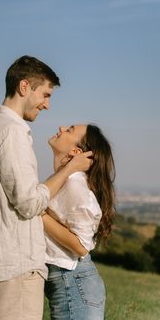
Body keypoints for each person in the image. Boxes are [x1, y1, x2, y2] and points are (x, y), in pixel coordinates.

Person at [0, 55, 93, 320]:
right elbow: (29, 204)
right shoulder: (12, 131)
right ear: (24, 87)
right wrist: (69, 170)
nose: (47, 105)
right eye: (45, 94)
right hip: (16, 267)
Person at [42, 123, 115, 320]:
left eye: (70, 129)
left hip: (74, 280)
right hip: (69, 280)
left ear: (76, 151)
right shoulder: (64, 179)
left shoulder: (76, 186)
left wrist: (39, 215)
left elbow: (81, 246)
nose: (62, 127)